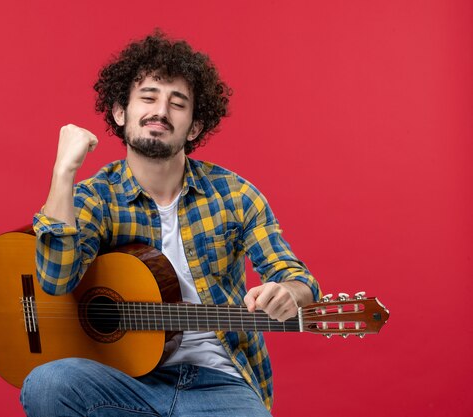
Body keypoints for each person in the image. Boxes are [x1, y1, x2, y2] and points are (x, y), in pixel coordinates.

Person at [21, 31, 321, 417]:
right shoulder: (95, 198)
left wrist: (290, 293)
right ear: (120, 112)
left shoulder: (235, 194)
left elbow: (295, 276)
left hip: (219, 382)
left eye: (177, 103)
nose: (160, 111)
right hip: (124, 380)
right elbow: (54, 280)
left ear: (194, 127)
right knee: (47, 384)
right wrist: (63, 173)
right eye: (148, 97)